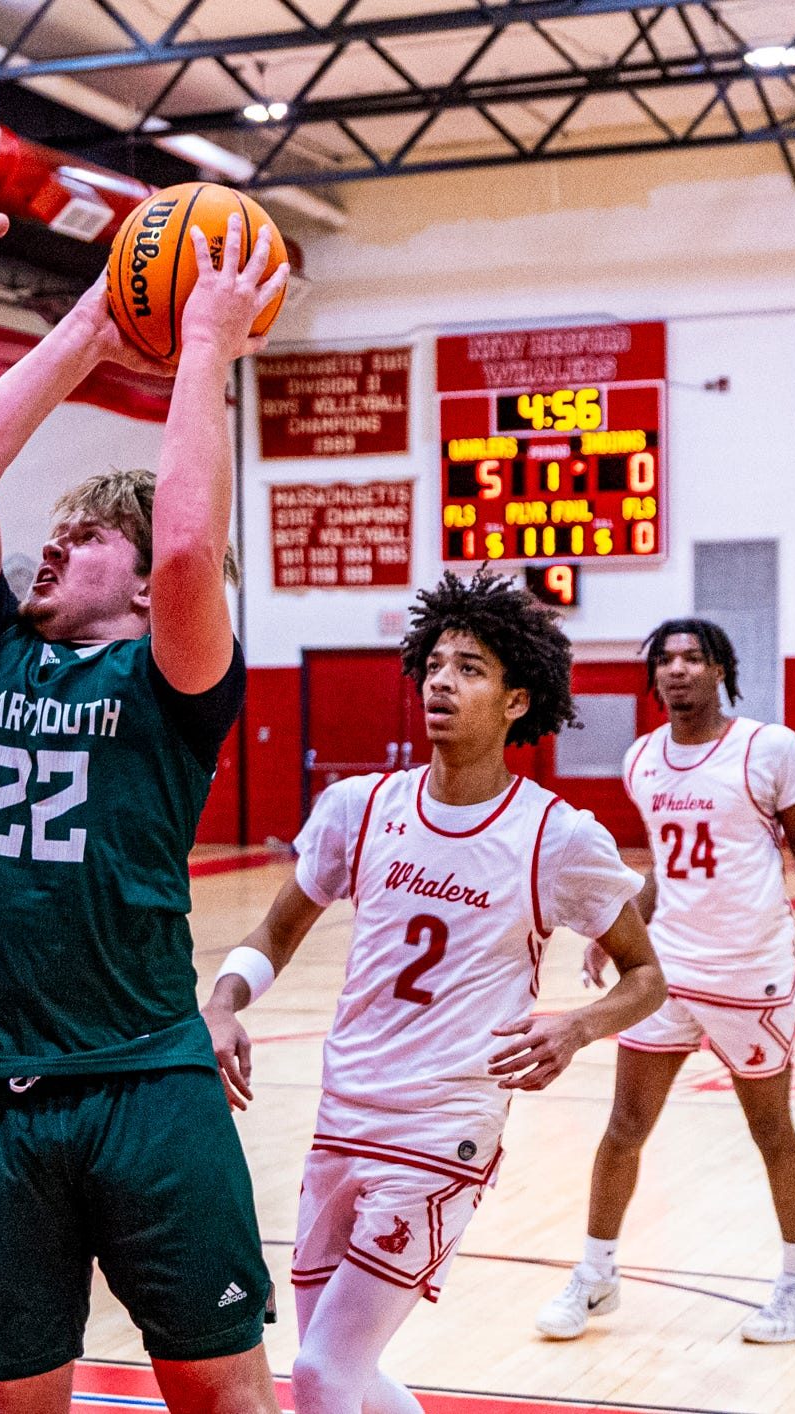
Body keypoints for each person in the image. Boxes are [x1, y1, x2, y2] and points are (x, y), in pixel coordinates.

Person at [0, 203, 287, 1405]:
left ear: (135, 585)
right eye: (60, 526)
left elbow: (187, 547)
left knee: (221, 1388)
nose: (56, 536)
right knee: (7, 1399)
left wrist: (206, 350)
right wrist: (88, 323)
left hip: (144, 1081)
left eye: (90, 531)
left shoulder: (172, 677)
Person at [205, 571, 664, 1414]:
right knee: (333, 1365)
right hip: (342, 1113)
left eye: (471, 669)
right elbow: (273, 934)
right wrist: (224, 1000)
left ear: (517, 700)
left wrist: (575, 1029)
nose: (442, 683)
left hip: (442, 1128)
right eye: (435, 664)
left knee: (317, 1374)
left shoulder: (555, 836)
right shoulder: (359, 807)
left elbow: (645, 977)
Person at [535, 619, 795, 1343]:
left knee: (770, 1131)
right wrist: (618, 933)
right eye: (665, 660)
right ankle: (595, 1274)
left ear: (719, 670)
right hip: (667, 972)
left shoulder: (767, 747)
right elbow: (664, 869)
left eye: (692, 658)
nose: (677, 670)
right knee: (622, 1129)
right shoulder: (642, 757)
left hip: (748, 971)